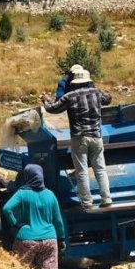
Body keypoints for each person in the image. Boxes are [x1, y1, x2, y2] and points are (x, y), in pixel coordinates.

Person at [44, 68, 112, 210]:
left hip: (79, 137)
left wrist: (45, 100)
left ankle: (87, 202)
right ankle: (106, 199)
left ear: (74, 82)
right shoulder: (97, 93)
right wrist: (107, 92)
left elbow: (53, 108)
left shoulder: (70, 96)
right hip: (96, 136)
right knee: (100, 169)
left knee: (82, 171)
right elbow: (108, 99)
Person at [2, 164, 66, 269]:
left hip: (27, 239)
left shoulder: (22, 193)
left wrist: (15, 223)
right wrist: (61, 239)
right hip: (49, 239)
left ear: (27, 177)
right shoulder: (50, 194)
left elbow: (6, 209)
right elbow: (58, 221)